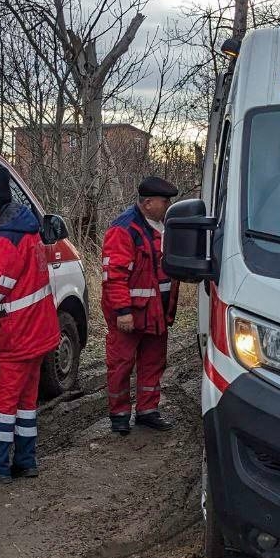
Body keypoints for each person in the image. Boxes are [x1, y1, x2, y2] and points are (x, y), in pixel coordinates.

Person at [0, 168, 60, 483]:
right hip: (38, 330)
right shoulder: (28, 230)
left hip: (17, 335)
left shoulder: (6, 240)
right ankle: (25, 461)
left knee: (5, 403)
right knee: (25, 403)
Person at [102, 176, 180, 435]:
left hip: (155, 312)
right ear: (147, 203)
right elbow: (114, 274)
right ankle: (120, 415)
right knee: (121, 364)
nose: (169, 205)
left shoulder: (162, 227)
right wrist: (123, 311)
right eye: (165, 201)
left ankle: (147, 411)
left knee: (153, 362)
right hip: (131, 314)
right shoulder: (124, 230)